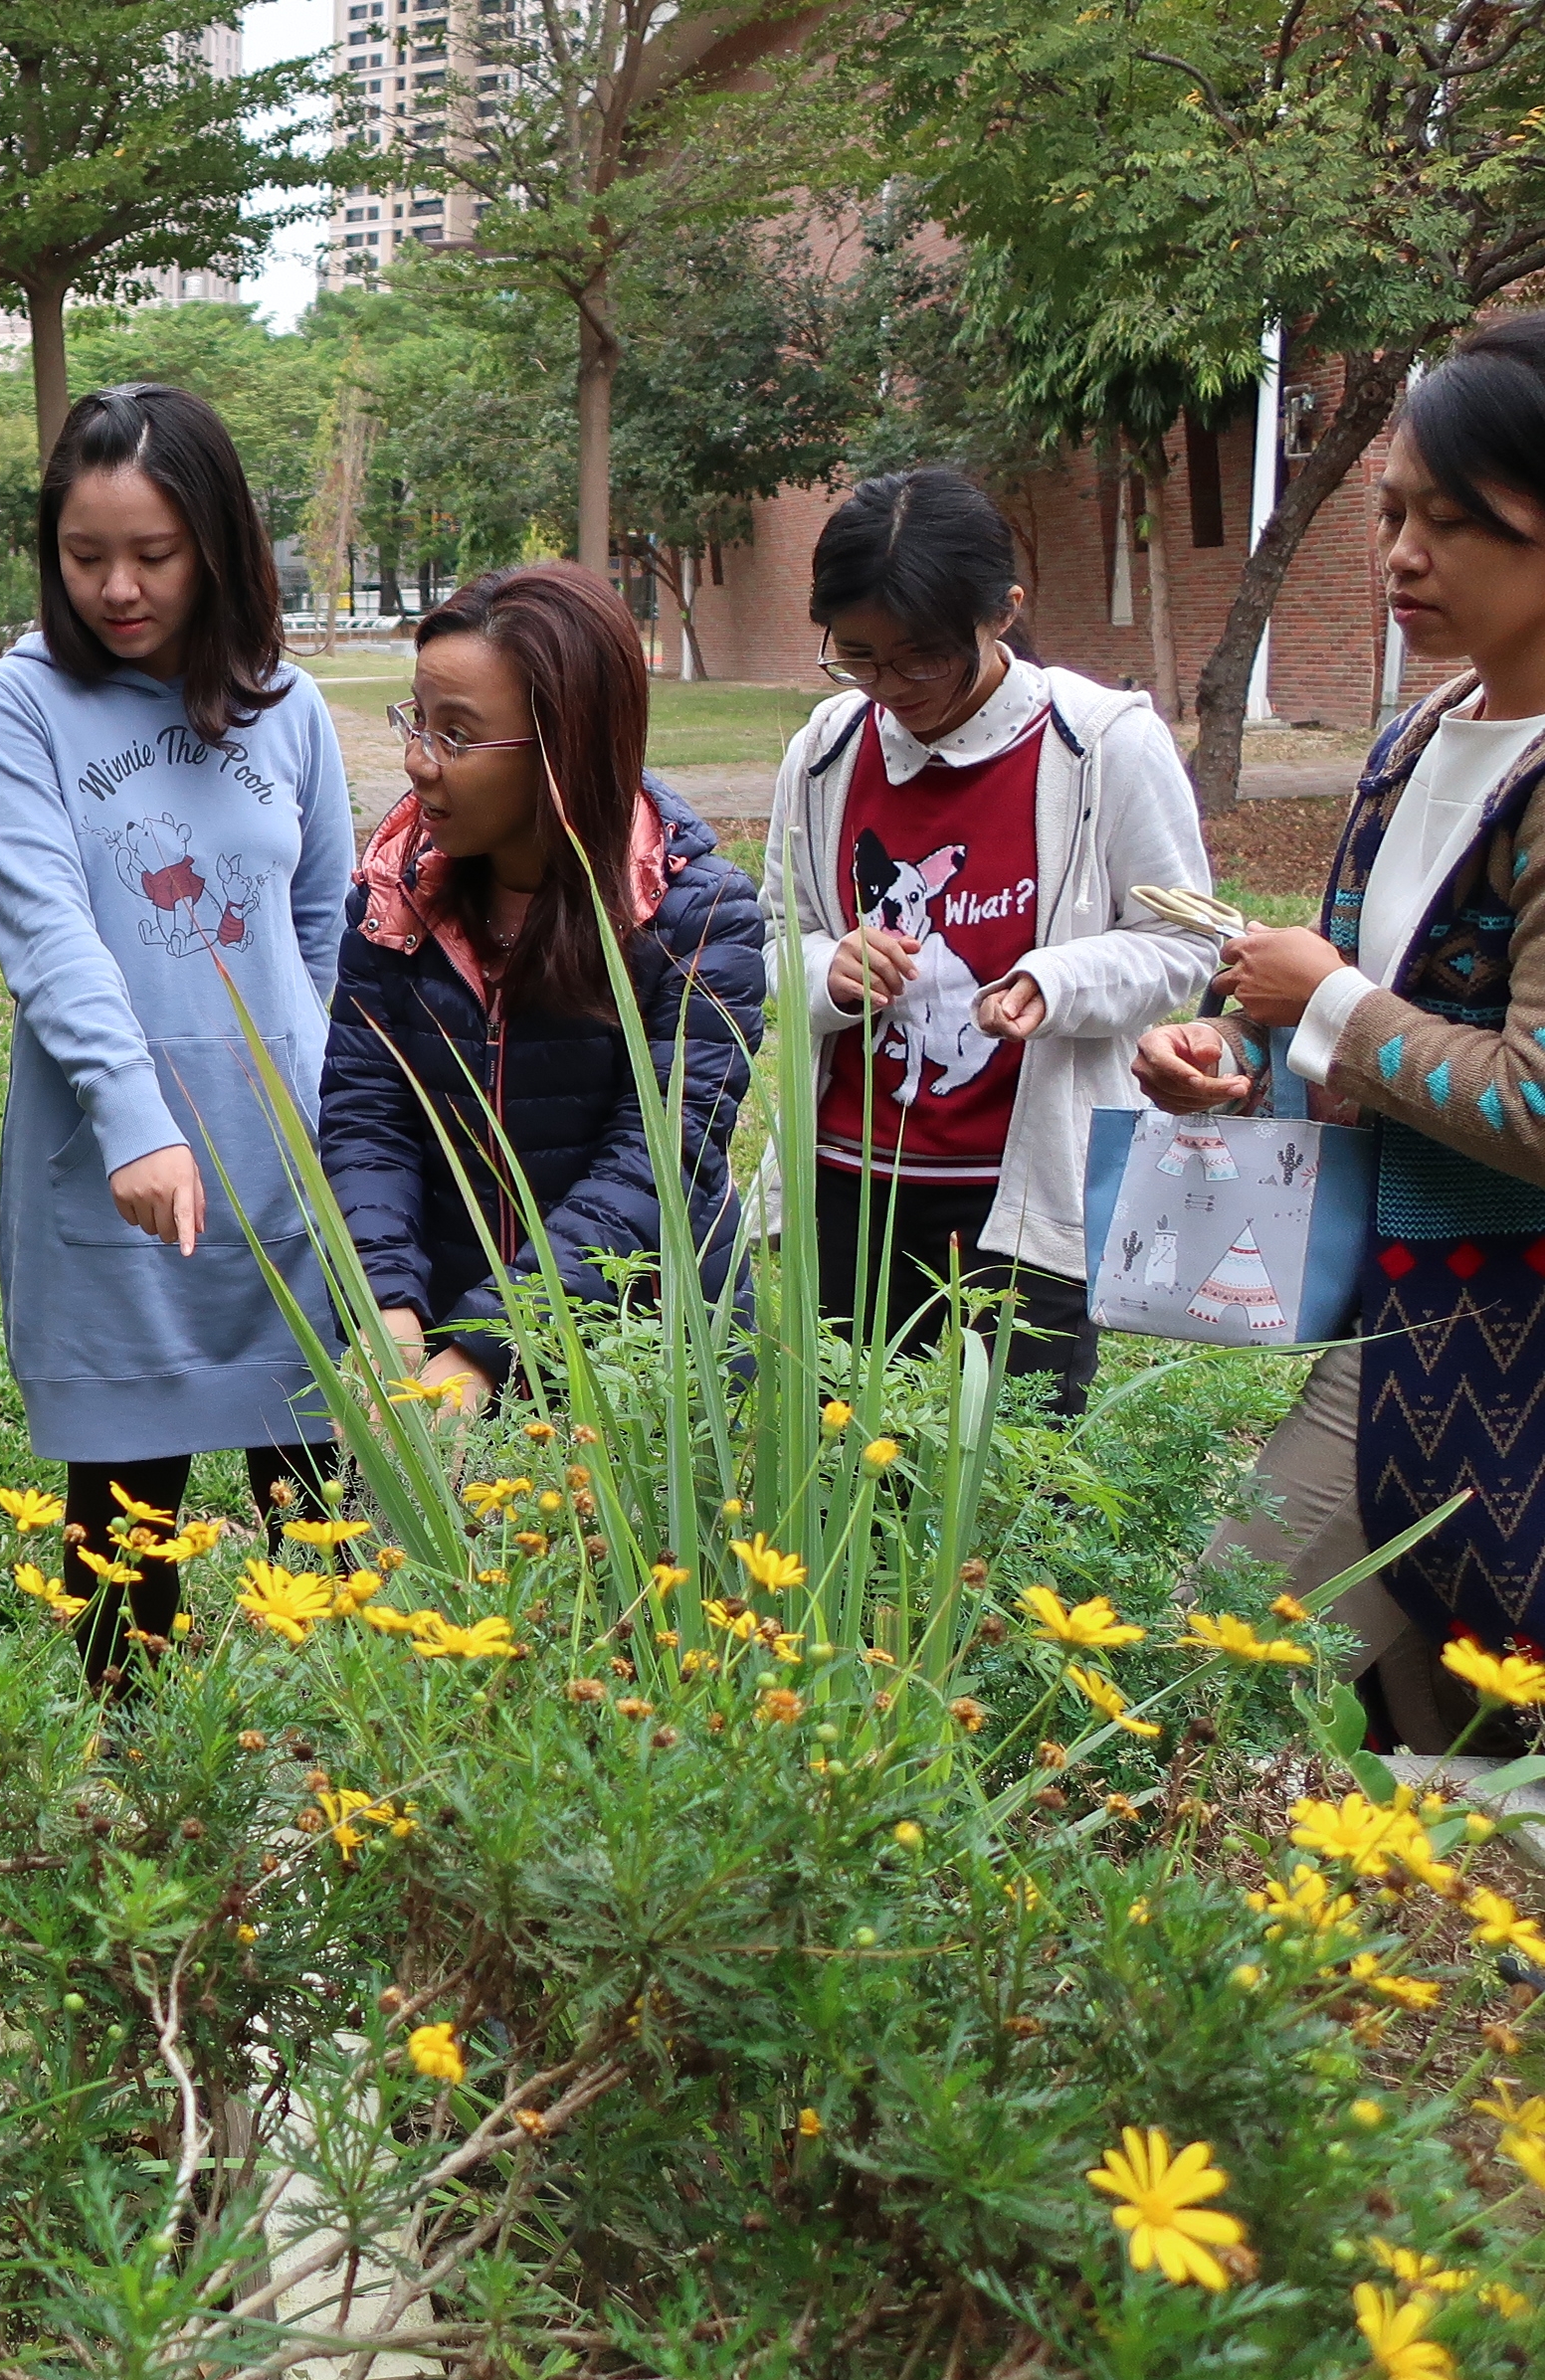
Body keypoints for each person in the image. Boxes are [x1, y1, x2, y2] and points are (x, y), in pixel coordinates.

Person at [1148, 314, 1545, 1742]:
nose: (1402, 554)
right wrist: (1232, 1056)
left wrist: (1321, 1001)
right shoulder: (1414, 742)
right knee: (1442, 1770)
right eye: (1390, 513)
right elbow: (1361, 1009)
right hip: (1396, 1318)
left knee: (1202, 1685)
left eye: (1457, 520)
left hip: (1505, 1344)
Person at [0, 383, 356, 1685]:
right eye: (86, 556)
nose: (117, 587)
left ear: (218, 546)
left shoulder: (286, 706)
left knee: (332, 1528)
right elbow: (47, 932)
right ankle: (143, 1809)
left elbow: (320, 926)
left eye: (153, 554)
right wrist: (136, 1120)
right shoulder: (17, 708)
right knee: (124, 1541)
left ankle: (360, 1818)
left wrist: (329, 1122)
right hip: (116, 1183)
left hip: (285, 1172)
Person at [764, 467, 1214, 1415]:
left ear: (1004, 612)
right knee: (848, 1481)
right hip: (849, 1191)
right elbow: (780, 932)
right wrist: (829, 970)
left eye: (921, 658)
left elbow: (1180, 942)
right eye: (857, 657)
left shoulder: (1104, 745)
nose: (889, 689)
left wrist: (1057, 981)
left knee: (1007, 1493)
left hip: (1021, 1205)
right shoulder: (824, 750)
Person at [317, 560, 766, 1415]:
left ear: (565, 746)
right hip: (444, 1340)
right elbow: (367, 1112)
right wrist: (390, 1305)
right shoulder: (393, 897)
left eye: (456, 735)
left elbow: (657, 1165)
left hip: (641, 1371)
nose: (418, 762)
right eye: (417, 721)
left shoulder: (698, 919)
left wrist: (494, 1341)